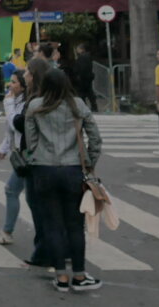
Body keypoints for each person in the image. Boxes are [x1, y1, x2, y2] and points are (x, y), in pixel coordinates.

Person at [25, 68, 103, 292]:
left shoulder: (35, 106)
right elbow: (95, 138)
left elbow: (31, 141)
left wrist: (36, 154)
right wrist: (90, 161)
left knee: (51, 225)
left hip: (43, 169)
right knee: (75, 226)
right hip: (72, 168)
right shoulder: (77, 105)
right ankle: (79, 275)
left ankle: (60, 277)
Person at [0, 69, 28, 245]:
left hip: (29, 155)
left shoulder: (26, 102)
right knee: (13, 191)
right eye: (10, 81)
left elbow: (17, 124)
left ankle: (7, 232)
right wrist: (4, 146)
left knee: (20, 193)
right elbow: (9, 129)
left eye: (14, 82)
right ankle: (7, 231)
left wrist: (9, 105)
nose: (10, 85)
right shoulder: (15, 99)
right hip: (20, 154)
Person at [73, 44, 96, 112]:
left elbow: (81, 68)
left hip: (83, 78)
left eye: (78, 49)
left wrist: (78, 74)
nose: (77, 50)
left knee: (82, 93)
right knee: (89, 92)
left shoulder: (82, 57)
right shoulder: (87, 56)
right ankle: (93, 106)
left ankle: (84, 106)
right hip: (87, 77)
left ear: (82, 49)